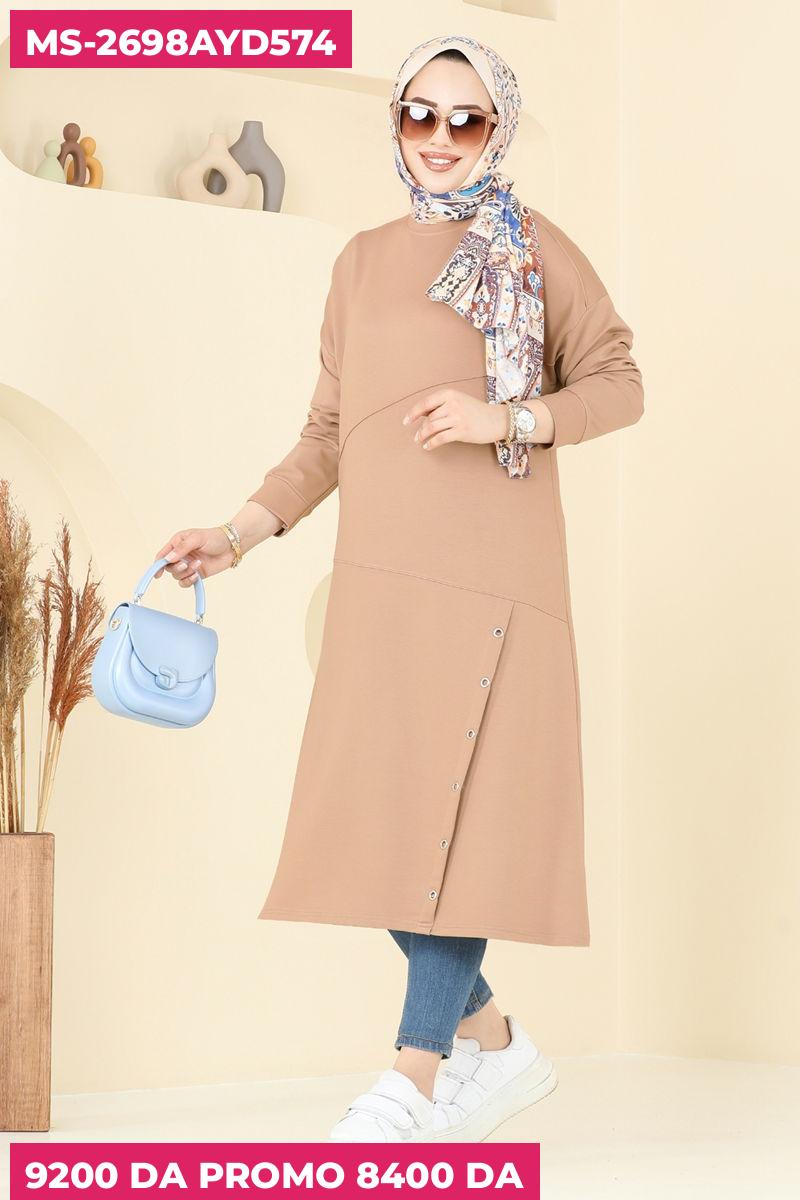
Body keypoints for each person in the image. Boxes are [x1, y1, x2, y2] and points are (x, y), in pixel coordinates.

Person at [155, 34, 644, 1143]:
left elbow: (618, 381)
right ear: (395, 122)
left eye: (466, 118)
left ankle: (413, 1076)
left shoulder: (535, 250)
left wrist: (503, 416)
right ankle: (496, 1043)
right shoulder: (361, 261)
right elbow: (330, 432)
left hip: (496, 576)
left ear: (497, 130)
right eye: (420, 113)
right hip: (381, 582)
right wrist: (240, 532)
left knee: (458, 827)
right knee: (379, 821)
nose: (439, 137)